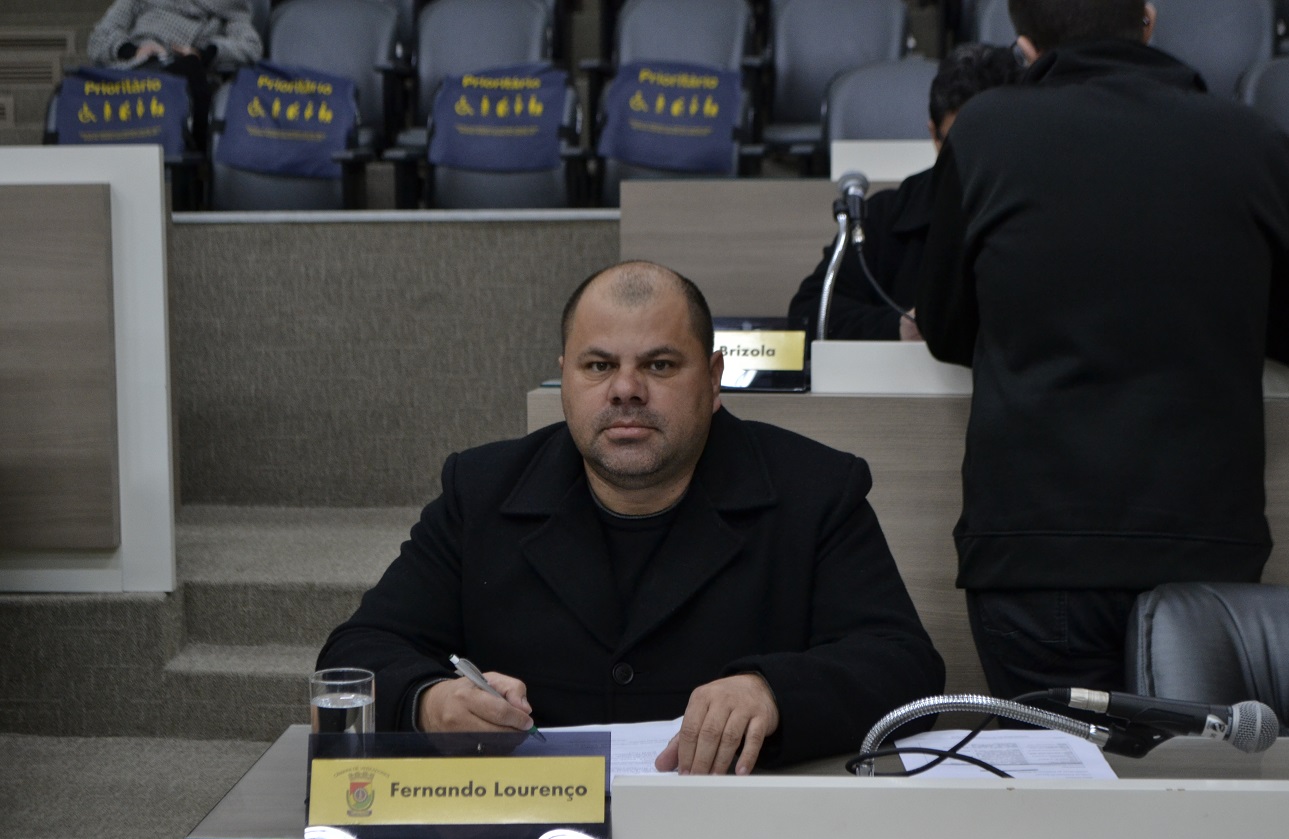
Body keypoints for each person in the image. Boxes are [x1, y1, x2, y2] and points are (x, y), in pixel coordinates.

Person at [317, 260, 945, 774]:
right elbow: (358, 652)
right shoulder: (480, 490)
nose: (625, 389)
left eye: (659, 365)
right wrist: (429, 701)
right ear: (564, 379)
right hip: (534, 825)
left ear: (715, 378)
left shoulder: (816, 490)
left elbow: (904, 667)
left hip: (734, 827)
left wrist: (773, 692)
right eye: (599, 366)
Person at [915, 0, 1289, 700]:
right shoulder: (1259, 142)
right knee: (1198, 772)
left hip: (1036, 552)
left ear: (1026, 46)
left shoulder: (986, 134)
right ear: (1147, 19)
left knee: (1056, 772)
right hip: (1206, 545)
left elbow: (945, 326)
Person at [787, 42, 1020, 343]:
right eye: (962, 143)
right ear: (934, 136)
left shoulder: (1050, 212)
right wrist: (898, 327)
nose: (979, 159)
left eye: (992, 141)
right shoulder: (886, 218)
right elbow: (809, 316)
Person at [87, 0, 263, 145]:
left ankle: (192, 156)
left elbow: (251, 46)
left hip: (188, 75)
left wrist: (204, 53)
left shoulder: (228, 6)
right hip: (139, 70)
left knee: (188, 68)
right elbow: (99, 37)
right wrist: (133, 51)